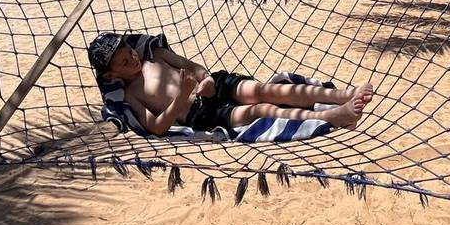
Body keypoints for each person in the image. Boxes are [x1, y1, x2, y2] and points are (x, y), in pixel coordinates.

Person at [88, 32, 373, 135]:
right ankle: (330, 116)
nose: (133, 60)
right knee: (259, 111)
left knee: (264, 90)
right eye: (125, 63)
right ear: (111, 76)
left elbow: (192, 66)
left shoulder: (155, 55)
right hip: (200, 114)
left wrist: (206, 78)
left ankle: (343, 94)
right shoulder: (131, 95)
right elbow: (156, 127)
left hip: (214, 87)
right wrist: (182, 97)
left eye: (131, 53)